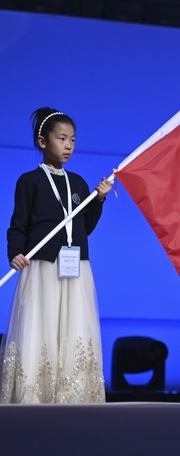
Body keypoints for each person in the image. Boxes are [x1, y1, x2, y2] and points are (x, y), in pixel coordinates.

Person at [1, 108, 112, 404]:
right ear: (42, 141)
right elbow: (18, 224)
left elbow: (85, 226)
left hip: (75, 267)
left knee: (73, 325)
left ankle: (71, 393)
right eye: (61, 139)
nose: (68, 146)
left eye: (72, 140)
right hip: (42, 267)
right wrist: (15, 253)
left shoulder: (77, 182)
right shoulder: (29, 181)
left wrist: (99, 200)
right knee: (42, 323)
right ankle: (35, 393)